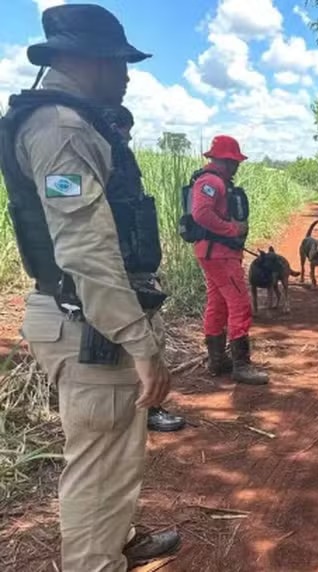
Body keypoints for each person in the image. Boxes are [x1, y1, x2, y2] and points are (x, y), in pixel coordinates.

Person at [0, 4, 180, 570]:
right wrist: (140, 344)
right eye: (118, 62)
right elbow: (86, 250)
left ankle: (115, 539)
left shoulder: (68, 120)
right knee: (100, 462)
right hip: (89, 326)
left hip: (88, 321)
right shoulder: (63, 127)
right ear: (86, 60)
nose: (126, 73)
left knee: (116, 454)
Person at [103, 104, 187, 433]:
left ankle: (139, 408)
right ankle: (149, 409)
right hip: (124, 272)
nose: (130, 136)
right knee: (148, 338)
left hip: (126, 268)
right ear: (116, 126)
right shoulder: (114, 158)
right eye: (127, 129)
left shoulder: (108, 158)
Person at [189, 135, 269, 385]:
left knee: (218, 304)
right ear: (223, 161)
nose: (237, 166)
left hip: (215, 253)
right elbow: (201, 213)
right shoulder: (211, 182)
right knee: (240, 304)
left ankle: (217, 361)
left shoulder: (213, 181)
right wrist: (231, 229)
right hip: (220, 254)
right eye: (234, 161)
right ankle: (241, 365)